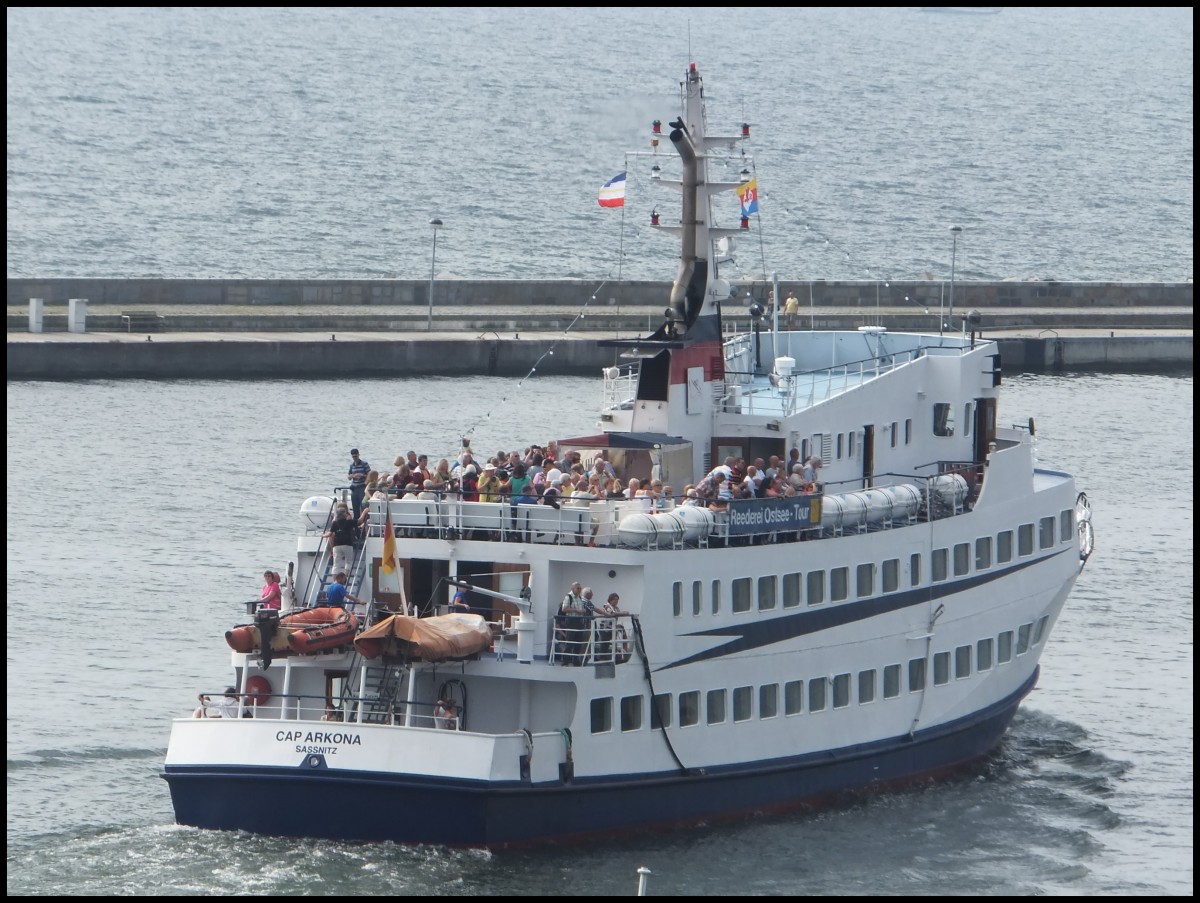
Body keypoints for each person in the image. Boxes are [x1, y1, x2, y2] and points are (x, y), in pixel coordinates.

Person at [557, 582, 587, 665]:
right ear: (572, 589)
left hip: (579, 621)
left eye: (580, 588)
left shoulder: (579, 597)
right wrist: (576, 610)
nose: (580, 590)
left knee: (578, 642)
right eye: (578, 588)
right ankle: (565, 660)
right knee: (570, 642)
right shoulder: (568, 597)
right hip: (571, 621)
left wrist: (582, 611)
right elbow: (564, 609)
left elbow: (580, 608)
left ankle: (575, 660)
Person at [324, 504, 358, 577]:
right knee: (348, 561)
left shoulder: (335, 523)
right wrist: (364, 512)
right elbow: (359, 522)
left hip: (337, 545)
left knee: (336, 564)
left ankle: (334, 579)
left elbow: (330, 533)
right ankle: (345, 576)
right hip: (347, 544)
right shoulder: (349, 521)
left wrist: (323, 535)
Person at [347, 448, 370, 521]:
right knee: (355, 506)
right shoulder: (352, 465)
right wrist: (352, 476)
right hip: (354, 488)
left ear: (358, 455)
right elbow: (349, 477)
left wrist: (362, 475)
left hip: (362, 487)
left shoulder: (364, 464)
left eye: (356, 456)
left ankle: (364, 521)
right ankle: (356, 522)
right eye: (353, 457)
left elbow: (370, 475)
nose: (355, 458)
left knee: (363, 505)